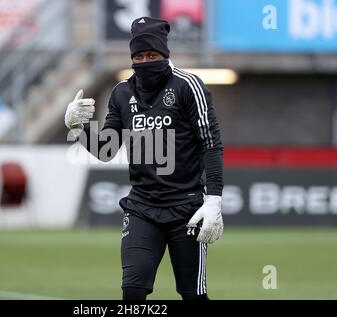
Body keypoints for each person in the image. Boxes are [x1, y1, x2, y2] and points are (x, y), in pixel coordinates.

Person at [64, 16, 224, 300]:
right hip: (142, 207)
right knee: (133, 290)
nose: (145, 61)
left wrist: (213, 200)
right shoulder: (122, 93)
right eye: (138, 56)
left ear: (164, 54)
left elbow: (211, 144)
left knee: (193, 294)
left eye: (152, 55)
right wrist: (79, 129)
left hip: (187, 209)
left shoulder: (189, 86)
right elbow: (106, 150)